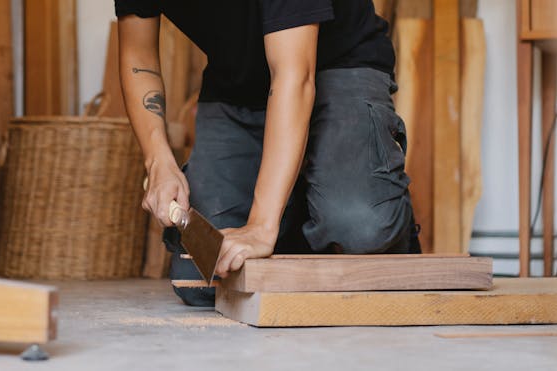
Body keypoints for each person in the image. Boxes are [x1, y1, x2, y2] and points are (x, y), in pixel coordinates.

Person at [116, 0, 421, 307]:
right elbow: (137, 54)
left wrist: (261, 226)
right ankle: (302, 214)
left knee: (360, 230)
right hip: (238, 83)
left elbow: (294, 76)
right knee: (203, 275)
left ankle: (366, 207)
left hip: (339, 66)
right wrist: (158, 162)